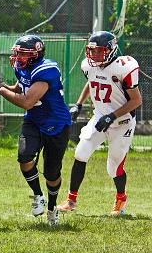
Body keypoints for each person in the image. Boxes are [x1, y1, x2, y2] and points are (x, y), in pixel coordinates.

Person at [57, 31, 142, 216]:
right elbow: (92, 82)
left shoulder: (124, 67)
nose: (94, 55)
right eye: (92, 51)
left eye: (99, 51)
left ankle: (121, 198)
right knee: (81, 153)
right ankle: (71, 200)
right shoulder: (89, 65)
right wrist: (78, 105)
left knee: (114, 167)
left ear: (111, 50)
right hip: (99, 117)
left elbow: (136, 100)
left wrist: (112, 116)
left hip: (123, 122)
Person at [0, 35, 70, 226]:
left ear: (35, 55)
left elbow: (27, 102)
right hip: (34, 121)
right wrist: (1, 84)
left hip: (55, 124)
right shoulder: (22, 67)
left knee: (51, 173)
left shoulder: (46, 70)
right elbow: (21, 87)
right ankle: (38, 195)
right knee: (24, 157)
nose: (18, 58)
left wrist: (1, 90)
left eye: (23, 54)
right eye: (17, 53)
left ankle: (51, 208)